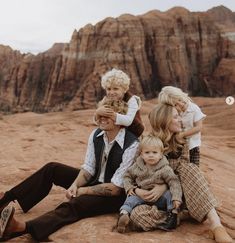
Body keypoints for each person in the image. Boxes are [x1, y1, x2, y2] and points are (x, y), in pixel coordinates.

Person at [0, 98, 139, 242]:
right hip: (95, 181)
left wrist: (82, 191)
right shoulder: (96, 134)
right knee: (52, 168)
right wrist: (75, 185)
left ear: (120, 119)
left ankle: (19, 228)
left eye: (107, 115)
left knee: (75, 205)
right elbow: (89, 168)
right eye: (100, 115)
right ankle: (5, 200)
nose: (101, 119)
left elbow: (116, 188)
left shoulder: (132, 144)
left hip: (115, 196)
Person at [130, 103, 233, 243]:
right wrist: (137, 191)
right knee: (137, 216)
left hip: (180, 192)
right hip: (154, 197)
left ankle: (216, 226)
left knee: (188, 168)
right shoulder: (147, 144)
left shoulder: (181, 140)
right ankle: (181, 215)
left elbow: (183, 173)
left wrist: (165, 186)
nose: (181, 120)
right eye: (176, 117)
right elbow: (133, 175)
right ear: (164, 120)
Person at [116, 135, 182, 233]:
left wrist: (176, 197)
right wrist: (129, 188)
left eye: (154, 152)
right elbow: (127, 176)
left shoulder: (165, 168)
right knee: (131, 198)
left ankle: (172, 214)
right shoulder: (137, 167)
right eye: (147, 152)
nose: (151, 155)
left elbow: (174, 182)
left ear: (161, 154)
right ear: (141, 154)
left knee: (169, 195)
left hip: (160, 197)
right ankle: (124, 214)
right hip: (143, 195)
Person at [158, 86, 206, 166]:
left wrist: (183, 134)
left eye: (180, 100)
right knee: (177, 163)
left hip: (192, 144)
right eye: (176, 104)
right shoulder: (174, 112)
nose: (181, 104)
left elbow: (199, 127)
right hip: (177, 143)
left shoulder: (194, 109)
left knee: (194, 166)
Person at [95, 68, 144, 137]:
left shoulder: (131, 100)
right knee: (97, 133)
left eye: (115, 89)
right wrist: (98, 112)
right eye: (108, 89)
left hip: (133, 132)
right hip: (115, 133)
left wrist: (112, 115)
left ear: (124, 89)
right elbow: (98, 121)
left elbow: (128, 121)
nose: (111, 92)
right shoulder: (106, 99)